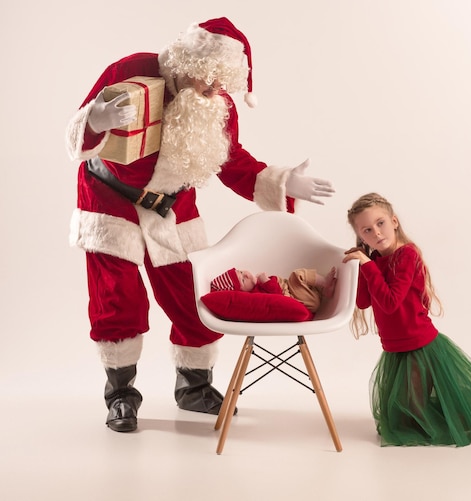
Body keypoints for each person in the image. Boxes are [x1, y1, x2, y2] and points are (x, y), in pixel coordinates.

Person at [64, 17, 335, 433]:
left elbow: (232, 161)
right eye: (205, 78)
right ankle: (120, 397)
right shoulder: (130, 70)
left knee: (194, 298)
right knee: (118, 302)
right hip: (110, 203)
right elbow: (76, 132)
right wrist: (95, 123)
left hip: (172, 210)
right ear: (183, 61)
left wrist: (282, 182)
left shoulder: (216, 103)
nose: (212, 90)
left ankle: (193, 388)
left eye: (220, 83)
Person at [342, 193, 471, 447]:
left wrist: (367, 266)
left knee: (416, 419)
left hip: (419, 345)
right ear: (360, 236)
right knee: (404, 420)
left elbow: (390, 302)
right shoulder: (375, 260)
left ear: (394, 221)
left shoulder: (407, 255)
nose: (376, 233)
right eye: (367, 229)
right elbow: (364, 302)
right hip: (395, 348)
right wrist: (358, 268)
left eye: (380, 223)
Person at [210, 266, 337, 313]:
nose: (247, 275)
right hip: (297, 298)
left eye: (241, 272)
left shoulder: (256, 286)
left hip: (305, 295)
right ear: (242, 293)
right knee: (297, 275)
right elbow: (276, 297)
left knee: (305, 282)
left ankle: (324, 291)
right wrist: (266, 282)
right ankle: (325, 283)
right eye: (243, 280)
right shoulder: (255, 295)